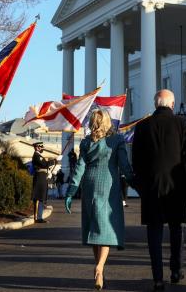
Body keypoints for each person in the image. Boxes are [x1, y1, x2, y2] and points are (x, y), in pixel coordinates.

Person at [131, 90, 186, 291]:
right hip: (176, 187)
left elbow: (137, 161)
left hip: (151, 188)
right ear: (172, 104)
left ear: (155, 104)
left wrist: (142, 187)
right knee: (176, 229)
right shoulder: (182, 124)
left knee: (154, 233)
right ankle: (176, 270)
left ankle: (157, 278)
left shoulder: (142, 126)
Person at [65, 109, 133, 291]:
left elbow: (79, 167)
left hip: (89, 184)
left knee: (95, 226)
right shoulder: (117, 140)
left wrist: (71, 190)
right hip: (109, 185)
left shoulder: (87, 142)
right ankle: (100, 266)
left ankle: (99, 271)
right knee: (107, 229)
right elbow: (125, 166)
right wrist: (134, 182)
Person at [31, 141, 61, 223]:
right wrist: (55, 161)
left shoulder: (39, 156)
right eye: (41, 147)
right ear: (37, 147)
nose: (42, 149)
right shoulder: (37, 156)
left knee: (42, 198)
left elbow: (45, 166)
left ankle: (39, 217)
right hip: (39, 179)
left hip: (42, 177)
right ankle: (37, 217)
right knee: (38, 197)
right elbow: (44, 164)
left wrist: (49, 173)